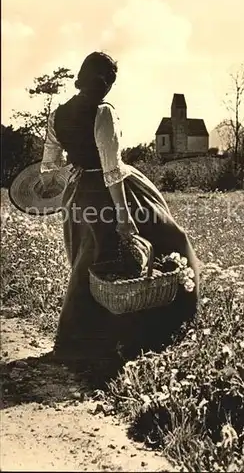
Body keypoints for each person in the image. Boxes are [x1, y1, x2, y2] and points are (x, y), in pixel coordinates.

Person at [40, 51, 200, 368]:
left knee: (92, 263)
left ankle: (85, 341)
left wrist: (73, 175)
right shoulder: (103, 112)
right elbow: (112, 169)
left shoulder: (57, 115)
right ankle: (148, 334)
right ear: (104, 81)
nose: (110, 87)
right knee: (169, 241)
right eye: (110, 81)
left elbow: (48, 169)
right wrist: (124, 217)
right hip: (113, 194)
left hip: (78, 197)